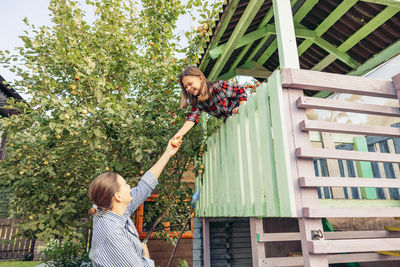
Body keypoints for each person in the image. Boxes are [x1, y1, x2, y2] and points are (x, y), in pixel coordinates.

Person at [88, 136, 182, 267]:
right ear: (118, 197)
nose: (130, 188)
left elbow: (144, 187)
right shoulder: (112, 233)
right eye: (125, 185)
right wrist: (145, 254)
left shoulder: (111, 210)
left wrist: (168, 153)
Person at [174, 66, 247, 139]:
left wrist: (241, 107)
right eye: (186, 87)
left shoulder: (218, 86)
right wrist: (179, 135)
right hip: (231, 121)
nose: (188, 88)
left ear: (200, 78)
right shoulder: (198, 102)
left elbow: (240, 90)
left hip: (244, 115)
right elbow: (192, 118)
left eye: (190, 84)